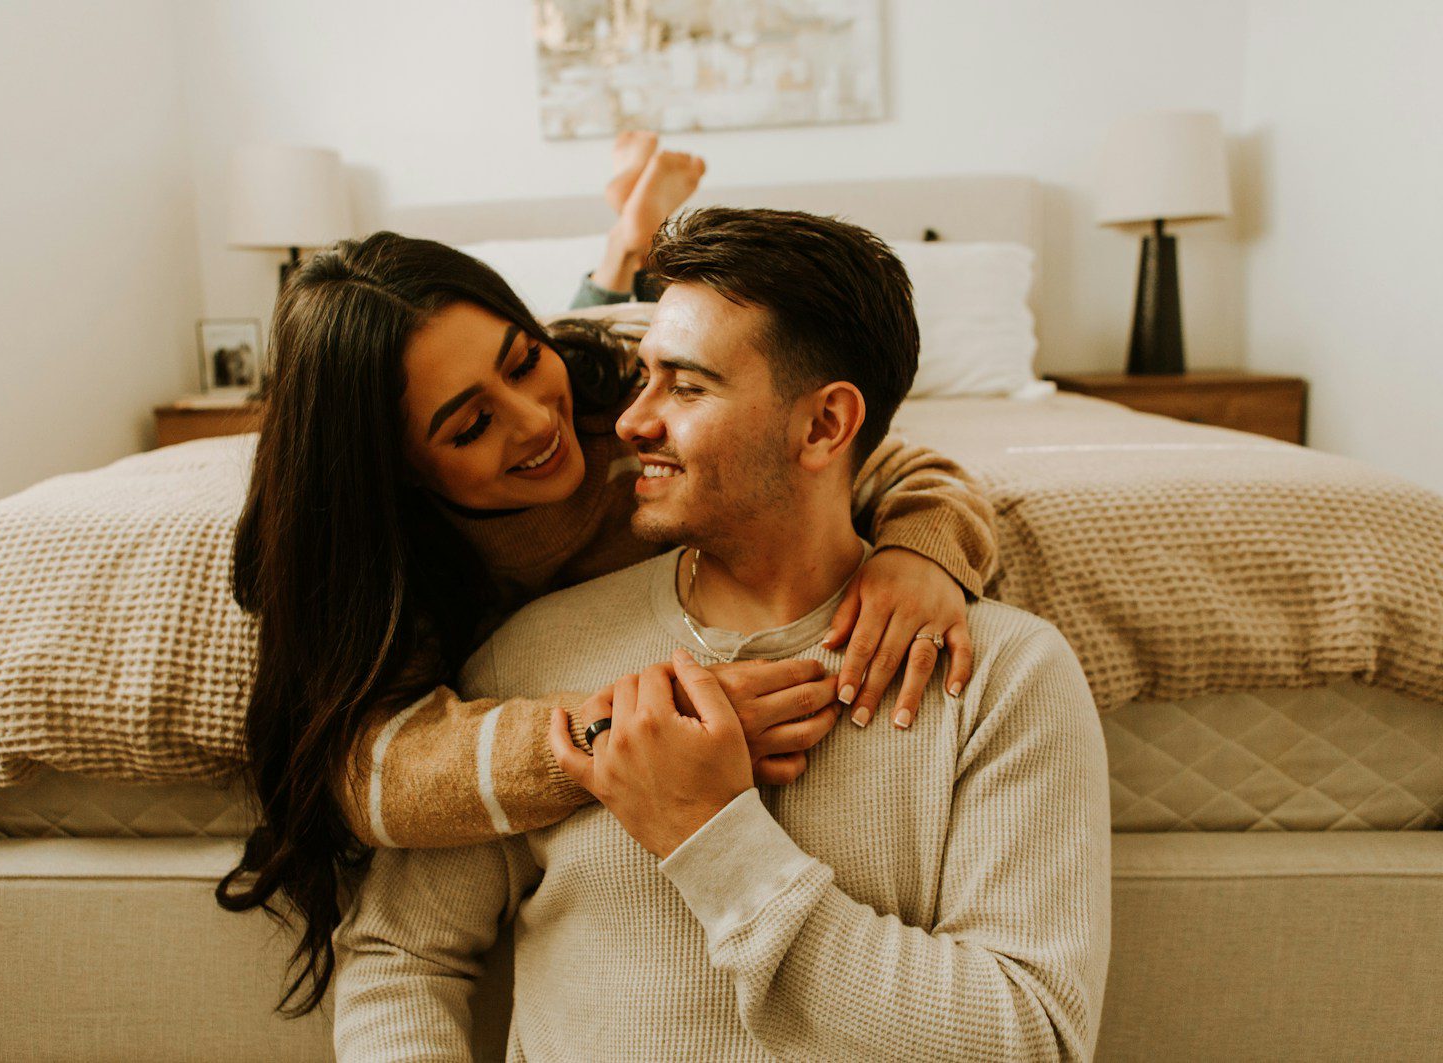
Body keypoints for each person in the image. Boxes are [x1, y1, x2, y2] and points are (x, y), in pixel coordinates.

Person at [217, 137, 1003, 1015]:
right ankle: (629, 230)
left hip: (597, 341)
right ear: (396, 472)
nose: (533, 422)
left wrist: (920, 549)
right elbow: (374, 770)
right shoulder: (392, 556)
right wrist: (611, 737)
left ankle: (628, 247)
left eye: (520, 359)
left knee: (594, 328)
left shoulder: (623, 382)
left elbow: (877, 459)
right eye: (469, 425)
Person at [331, 208, 1111, 1061]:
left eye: (686, 386)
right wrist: (592, 743)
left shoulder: (1003, 672)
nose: (628, 424)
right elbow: (400, 955)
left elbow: (1033, 1039)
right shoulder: (521, 657)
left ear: (825, 426)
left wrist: (710, 834)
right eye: (643, 376)